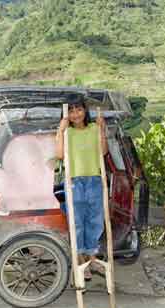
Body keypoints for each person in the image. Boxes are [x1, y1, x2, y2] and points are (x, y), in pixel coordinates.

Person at [55, 95, 108, 281]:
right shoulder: (67, 132)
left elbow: (103, 152)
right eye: (71, 111)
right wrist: (60, 132)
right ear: (67, 115)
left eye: (78, 110)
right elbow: (60, 155)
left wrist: (102, 130)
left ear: (85, 111)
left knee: (95, 219)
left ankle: (92, 258)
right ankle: (80, 261)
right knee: (77, 222)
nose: (75, 114)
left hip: (94, 179)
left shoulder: (94, 129)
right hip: (74, 181)